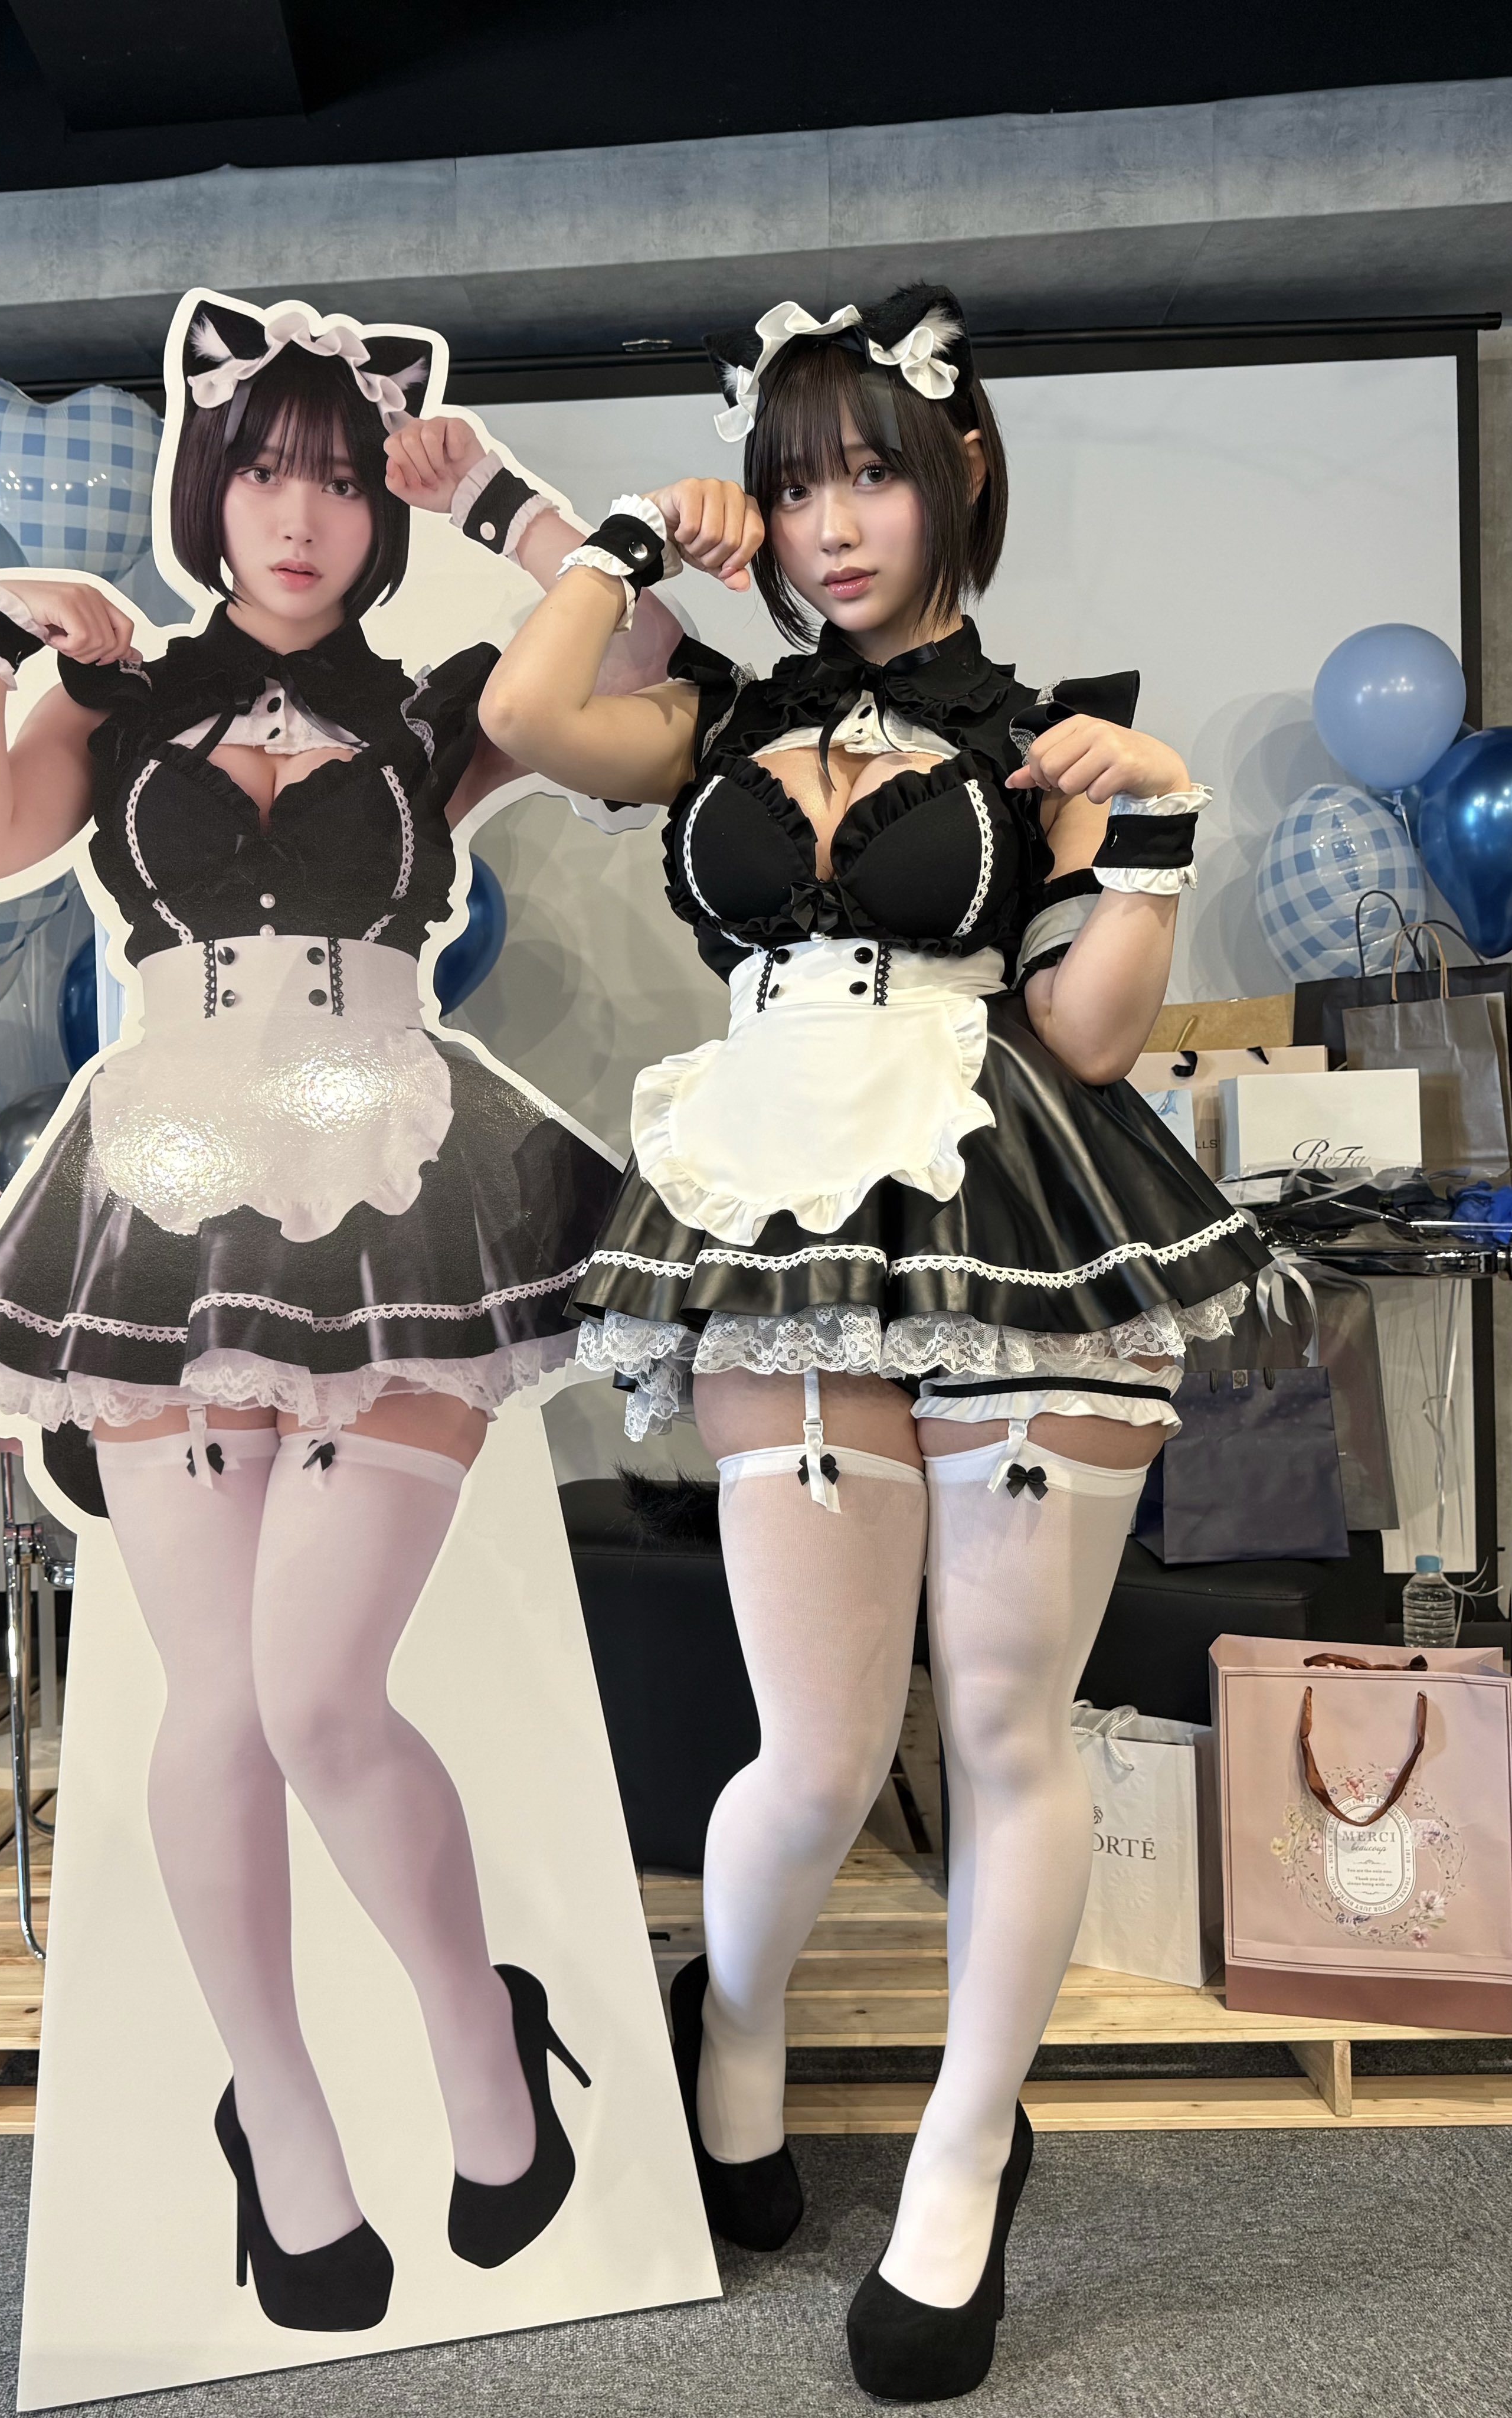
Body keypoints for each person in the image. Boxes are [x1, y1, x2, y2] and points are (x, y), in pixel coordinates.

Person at [479, 284, 1268, 2401]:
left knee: (1005, 1726)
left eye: (875, 475)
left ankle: (959, 2159)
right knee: (819, 1752)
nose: (834, 524)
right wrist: (632, 545)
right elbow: (536, 714)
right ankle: (730, 2027)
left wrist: (1160, 813)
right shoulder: (718, 720)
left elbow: (1089, 1032)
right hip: (783, 1210)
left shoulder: (1052, 737)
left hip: (1013, 1196)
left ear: (958, 475)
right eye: (799, 480)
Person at [0, 296, 676, 2335]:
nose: (303, 511)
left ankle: (481, 2032)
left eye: (341, 477)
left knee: (324, 1693)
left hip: (395, 1177)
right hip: (168, 1179)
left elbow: (645, 676)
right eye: (266, 468)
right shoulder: (125, 700)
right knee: (220, 1706)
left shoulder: (437, 709)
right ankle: (283, 2121)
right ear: (210, 485)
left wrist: (504, 504)